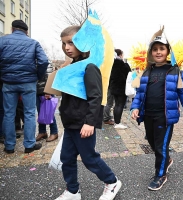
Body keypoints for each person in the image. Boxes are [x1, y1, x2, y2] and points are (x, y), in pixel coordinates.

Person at [55, 25, 121, 200]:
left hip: (83, 122)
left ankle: (112, 182)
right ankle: (72, 191)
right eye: (64, 44)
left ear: (84, 42)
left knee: (89, 158)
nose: (67, 47)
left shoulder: (89, 67)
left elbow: (96, 96)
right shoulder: (73, 66)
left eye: (71, 42)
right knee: (66, 158)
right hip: (70, 122)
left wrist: (90, 122)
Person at [130, 36, 183, 190]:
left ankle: (160, 175)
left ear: (167, 51)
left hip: (165, 117)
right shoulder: (146, 72)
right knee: (152, 143)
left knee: (161, 147)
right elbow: (139, 93)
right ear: (151, 52)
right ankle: (167, 160)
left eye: (162, 49)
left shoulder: (176, 72)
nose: (158, 52)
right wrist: (135, 107)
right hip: (148, 115)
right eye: (155, 49)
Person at [0, 20, 48, 154]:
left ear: (12, 29)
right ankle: (29, 145)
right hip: (28, 82)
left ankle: (9, 146)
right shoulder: (33, 43)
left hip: (8, 82)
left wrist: (3, 75)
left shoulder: (2, 41)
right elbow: (44, 61)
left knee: (8, 114)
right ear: (26, 31)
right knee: (29, 113)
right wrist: (37, 76)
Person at [35, 62, 59, 142]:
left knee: (49, 112)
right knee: (40, 112)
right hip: (36, 90)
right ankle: (42, 132)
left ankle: (54, 132)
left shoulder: (43, 60)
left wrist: (48, 91)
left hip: (45, 90)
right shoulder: (33, 59)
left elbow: (49, 75)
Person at [108, 49, 131, 129]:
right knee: (120, 105)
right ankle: (118, 123)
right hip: (122, 87)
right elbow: (129, 74)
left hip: (114, 87)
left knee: (116, 104)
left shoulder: (111, 64)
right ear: (120, 55)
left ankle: (116, 121)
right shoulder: (123, 65)